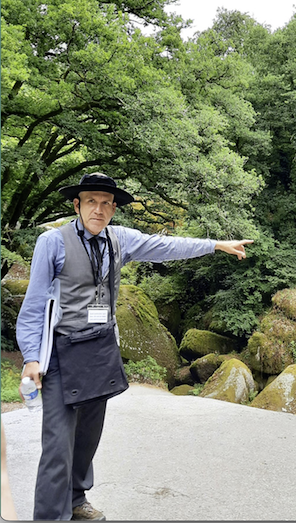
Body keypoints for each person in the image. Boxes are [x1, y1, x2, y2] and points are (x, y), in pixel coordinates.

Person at [15, 173, 253, 521]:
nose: (98, 209)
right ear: (77, 204)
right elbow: (34, 303)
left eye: (105, 203)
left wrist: (215, 244)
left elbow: (167, 247)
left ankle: (76, 499)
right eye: (91, 201)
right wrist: (31, 357)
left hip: (99, 351)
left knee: (87, 437)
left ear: (113, 208)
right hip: (63, 353)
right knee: (57, 444)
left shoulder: (119, 239)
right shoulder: (52, 242)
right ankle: (51, 516)